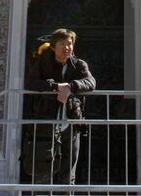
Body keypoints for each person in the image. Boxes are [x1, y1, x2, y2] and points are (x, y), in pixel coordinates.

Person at [22, 28, 95, 186]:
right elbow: (30, 82)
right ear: (53, 47)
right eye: (62, 44)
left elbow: (91, 82)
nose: (67, 47)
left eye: (69, 44)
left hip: (71, 121)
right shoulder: (43, 63)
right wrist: (55, 87)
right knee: (43, 166)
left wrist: (71, 86)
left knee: (69, 170)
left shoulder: (78, 65)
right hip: (46, 120)